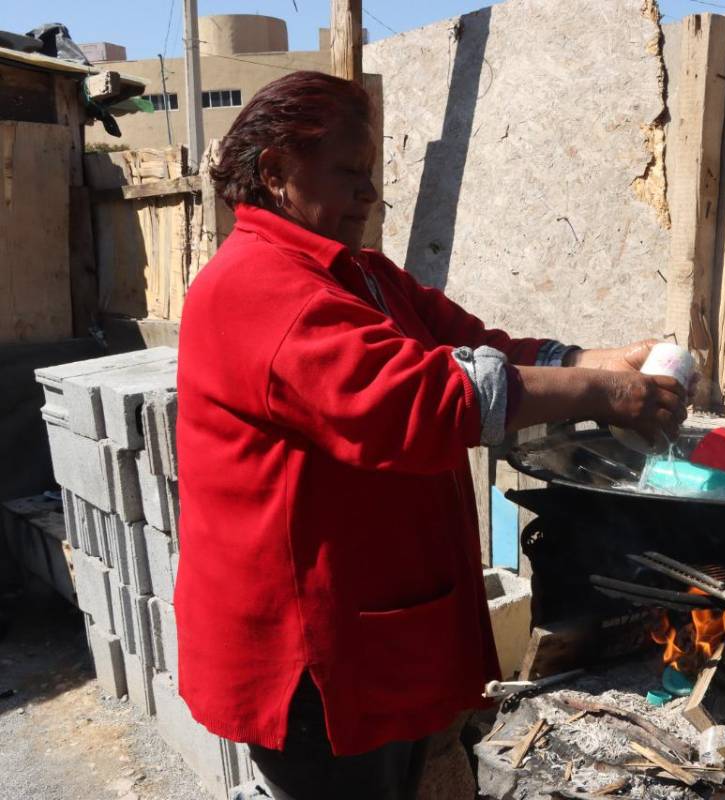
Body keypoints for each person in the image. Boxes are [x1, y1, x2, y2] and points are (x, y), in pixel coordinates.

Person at [174, 71, 687, 800]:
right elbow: (420, 401)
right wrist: (609, 392)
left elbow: (477, 344)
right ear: (277, 174)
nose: (368, 196)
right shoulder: (259, 287)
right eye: (348, 174)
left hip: (368, 638)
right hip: (311, 661)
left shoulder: (362, 276)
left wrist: (599, 360)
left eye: (371, 176)